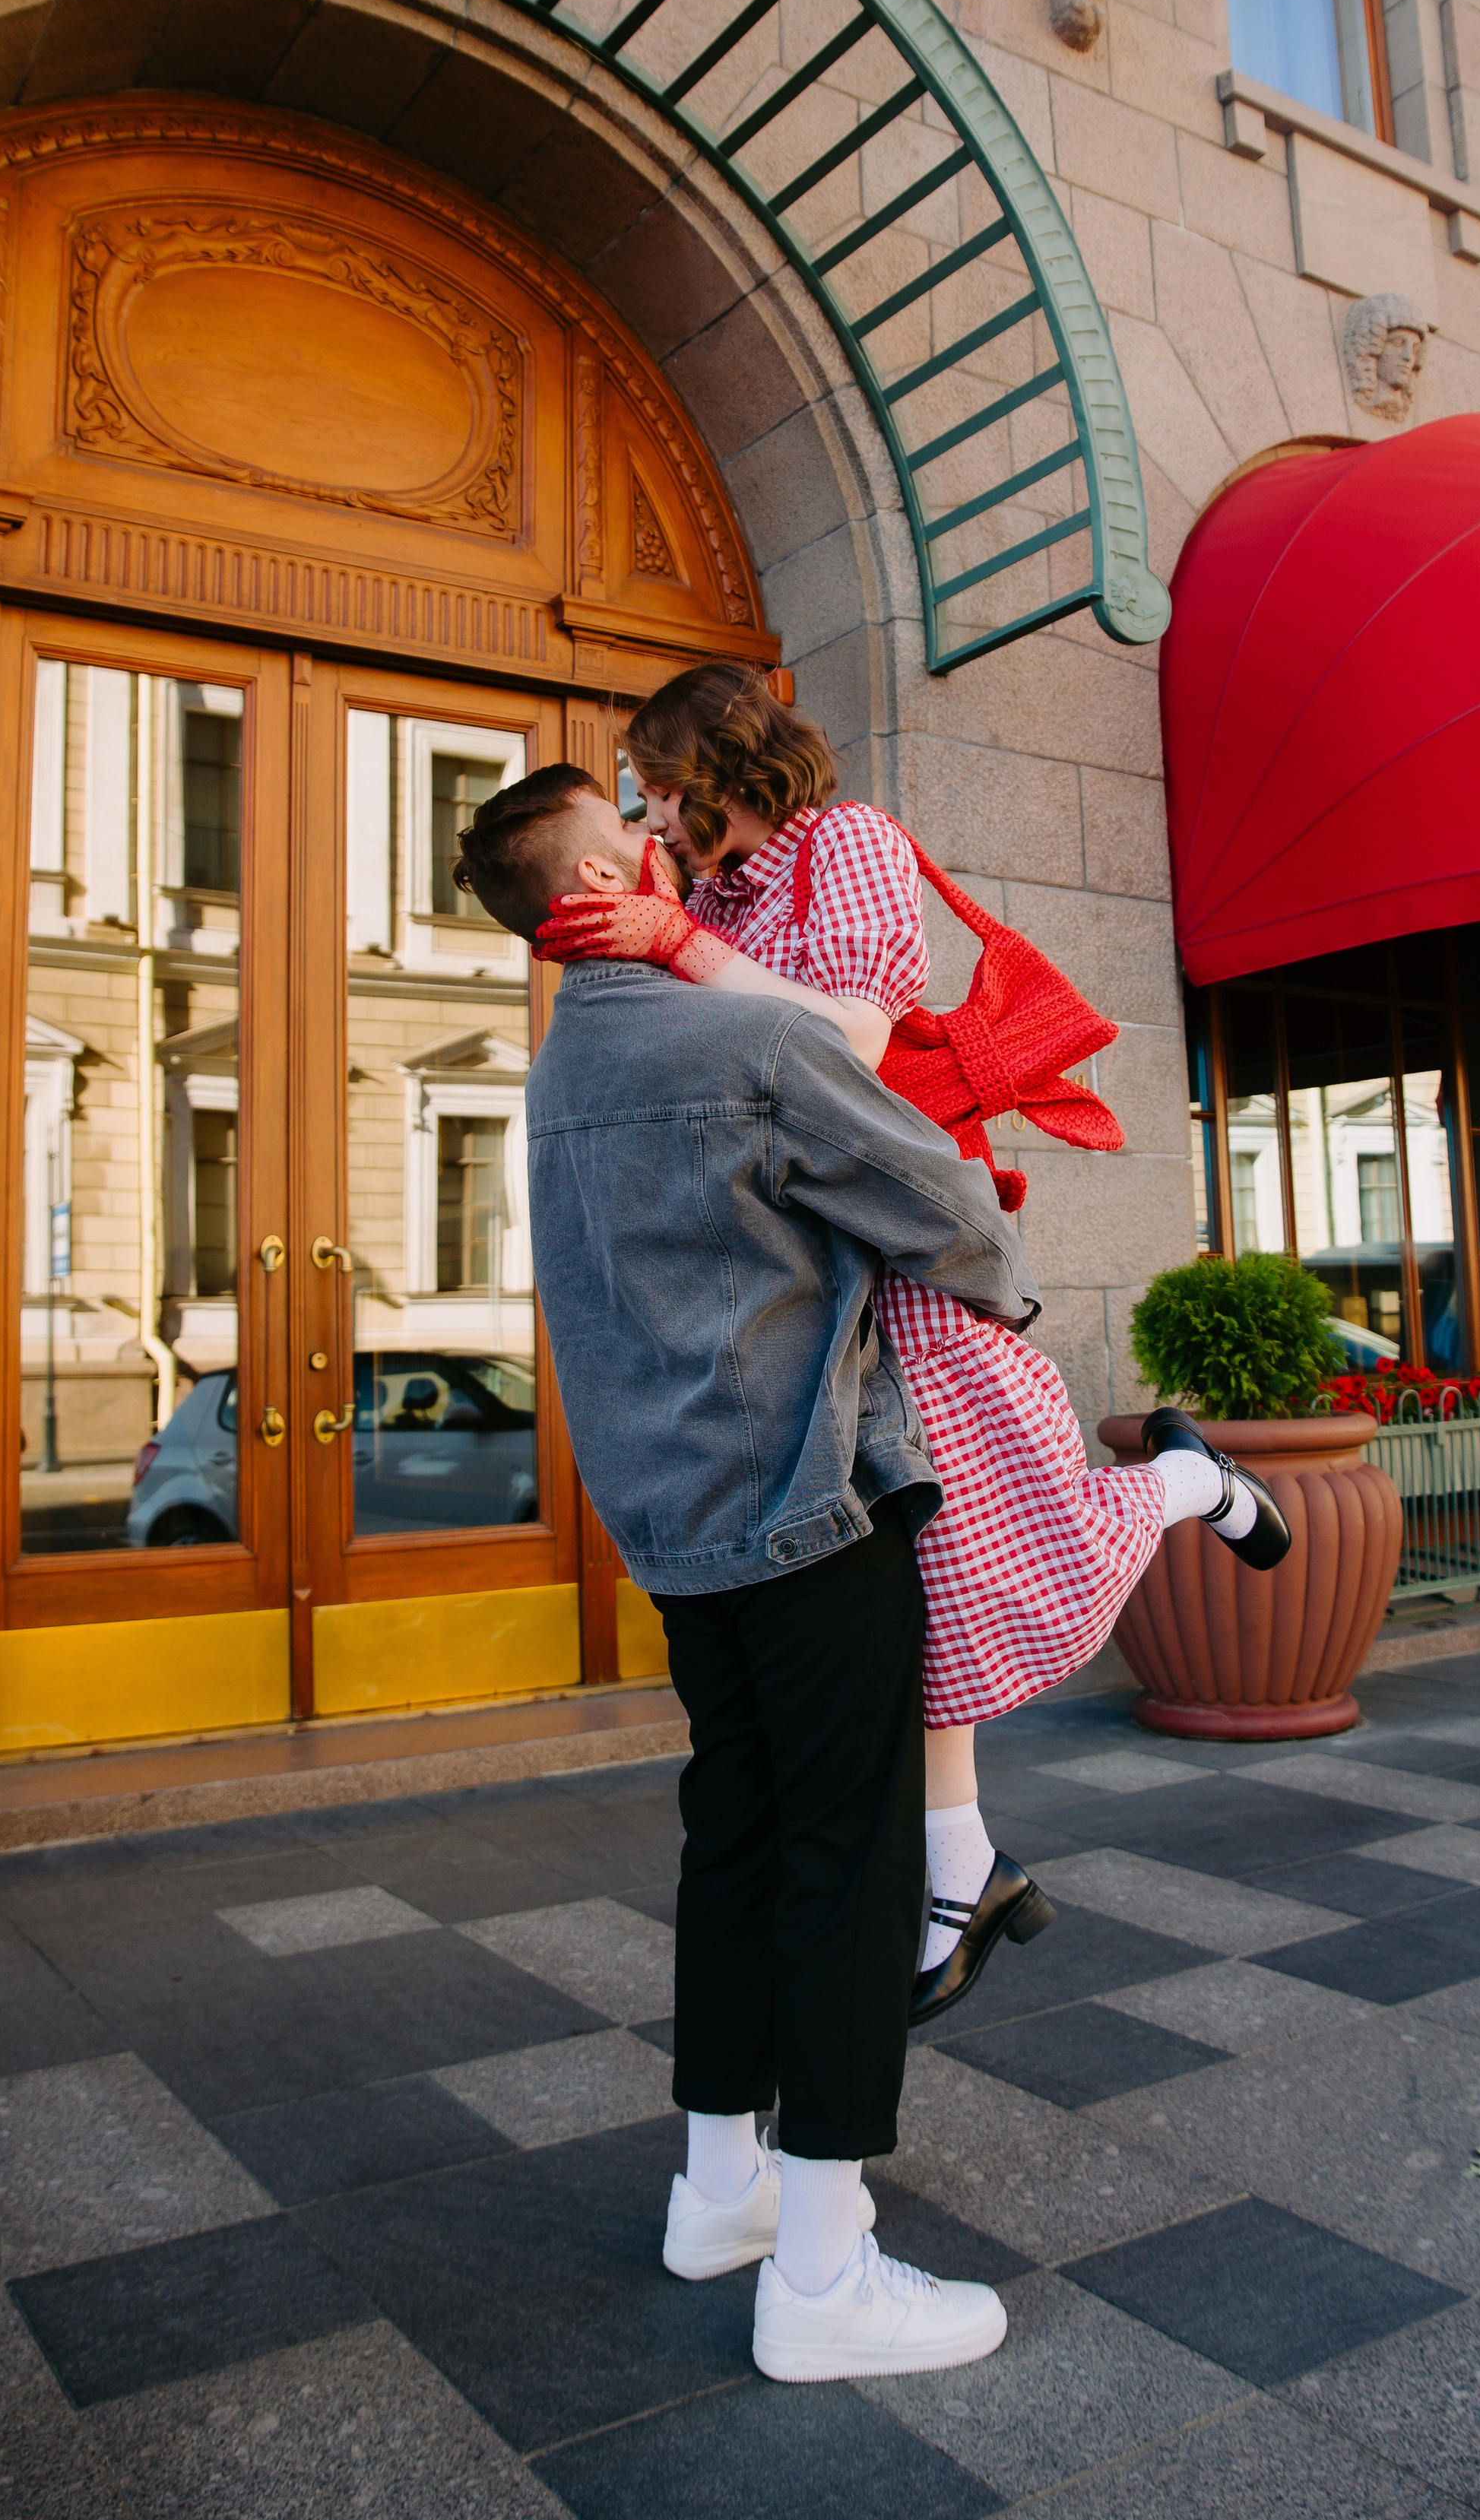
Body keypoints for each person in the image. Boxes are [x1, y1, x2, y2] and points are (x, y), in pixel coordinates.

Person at [538, 664, 1288, 2024]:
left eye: (658, 778)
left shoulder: (851, 845)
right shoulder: (705, 896)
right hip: (805, 1259)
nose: (651, 804)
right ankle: (965, 1864)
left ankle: (1191, 1483)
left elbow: (853, 1043)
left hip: (898, 1241)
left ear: (717, 763)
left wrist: (669, 945)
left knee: (995, 1541)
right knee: (917, 1582)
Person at [455, 763, 1042, 2383]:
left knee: (735, 1835)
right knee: (847, 1863)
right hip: (806, 1501)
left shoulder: (560, 1070)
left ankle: (719, 2191)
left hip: (671, 1523)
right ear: (604, 871)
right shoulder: (746, 1039)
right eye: (638, 832)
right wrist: (1001, 1293)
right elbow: (947, 1209)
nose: (672, 845)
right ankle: (824, 2269)